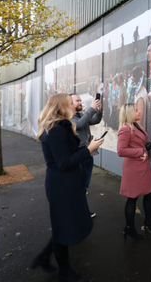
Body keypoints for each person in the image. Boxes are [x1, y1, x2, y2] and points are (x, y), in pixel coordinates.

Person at [32, 93, 104, 282]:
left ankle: (44, 258)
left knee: (61, 225)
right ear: (61, 107)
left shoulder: (59, 127)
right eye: (69, 104)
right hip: (61, 186)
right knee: (62, 227)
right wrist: (88, 150)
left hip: (64, 183)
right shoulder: (56, 130)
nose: (73, 107)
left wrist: (87, 147)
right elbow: (64, 163)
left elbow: (67, 155)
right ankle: (65, 273)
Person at [117, 103, 151, 240]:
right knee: (133, 198)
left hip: (143, 166)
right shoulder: (125, 129)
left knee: (149, 193)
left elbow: (139, 142)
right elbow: (121, 150)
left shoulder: (136, 126)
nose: (139, 112)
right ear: (129, 113)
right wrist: (141, 150)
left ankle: (148, 222)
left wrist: (147, 145)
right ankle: (129, 228)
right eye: (136, 111)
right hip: (134, 168)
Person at [70, 93, 103, 218]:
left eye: (80, 100)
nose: (80, 102)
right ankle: (77, 213)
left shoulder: (80, 115)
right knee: (78, 186)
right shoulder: (69, 118)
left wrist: (98, 111)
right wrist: (92, 109)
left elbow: (95, 120)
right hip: (79, 155)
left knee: (84, 185)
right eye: (77, 101)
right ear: (69, 104)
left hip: (88, 153)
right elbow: (79, 125)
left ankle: (82, 211)